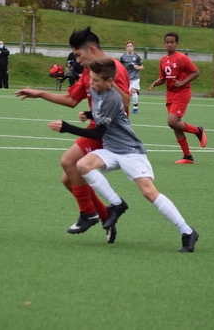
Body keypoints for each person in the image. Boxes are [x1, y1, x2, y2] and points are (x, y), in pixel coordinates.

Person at [48, 57, 199, 252]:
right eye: (91, 79)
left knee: (149, 192)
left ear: (109, 82)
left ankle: (187, 231)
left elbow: (98, 133)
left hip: (130, 151)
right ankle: (117, 204)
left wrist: (66, 127)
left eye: (95, 80)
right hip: (111, 149)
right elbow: (105, 115)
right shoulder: (96, 90)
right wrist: (89, 114)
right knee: (82, 165)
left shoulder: (112, 97)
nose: (91, 83)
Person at [15, 27, 130, 243]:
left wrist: (101, 108)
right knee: (69, 180)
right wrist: (40, 93)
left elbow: (124, 104)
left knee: (68, 161)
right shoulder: (88, 72)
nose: (77, 61)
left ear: (92, 50)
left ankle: (88, 213)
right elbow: (71, 99)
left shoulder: (114, 68)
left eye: (78, 55)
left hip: (109, 133)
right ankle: (105, 216)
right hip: (96, 127)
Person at [148, 32, 207, 164]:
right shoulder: (163, 60)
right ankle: (187, 156)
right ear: (164, 44)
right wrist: (156, 83)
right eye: (167, 42)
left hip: (182, 93)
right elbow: (163, 78)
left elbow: (196, 72)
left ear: (177, 44)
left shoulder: (182, 58)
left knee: (172, 121)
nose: (169, 44)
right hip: (170, 94)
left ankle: (198, 131)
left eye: (172, 42)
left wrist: (182, 82)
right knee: (176, 126)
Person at [119, 40, 144, 113]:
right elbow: (119, 66)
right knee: (128, 93)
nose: (129, 48)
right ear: (125, 48)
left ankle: (135, 108)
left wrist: (138, 67)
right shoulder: (123, 57)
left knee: (133, 91)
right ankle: (124, 108)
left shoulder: (136, 57)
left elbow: (142, 66)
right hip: (127, 78)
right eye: (128, 46)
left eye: (131, 46)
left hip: (135, 77)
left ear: (133, 47)